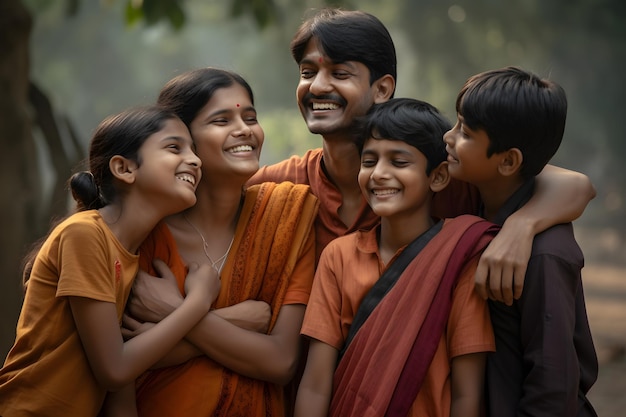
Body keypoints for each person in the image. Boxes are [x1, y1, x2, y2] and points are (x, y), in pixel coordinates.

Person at [248, 7, 596, 304]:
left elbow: (575, 186)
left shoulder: (438, 176)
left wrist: (521, 226)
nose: (318, 86)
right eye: (308, 73)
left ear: (382, 88)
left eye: (340, 73)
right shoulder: (282, 183)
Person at [121, 68, 319, 417]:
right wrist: (239, 320)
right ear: (183, 141)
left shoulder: (287, 218)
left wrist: (172, 313)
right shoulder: (146, 231)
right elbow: (119, 362)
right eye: (221, 120)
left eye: (250, 116)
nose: (244, 129)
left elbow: (281, 361)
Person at [0, 106, 220, 416]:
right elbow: (115, 368)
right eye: (174, 147)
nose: (196, 160)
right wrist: (198, 302)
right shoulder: (84, 234)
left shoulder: (134, 253)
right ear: (124, 168)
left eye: (194, 151)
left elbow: (121, 390)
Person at [295, 98, 499, 417]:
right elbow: (315, 384)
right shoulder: (339, 257)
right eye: (369, 161)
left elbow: (466, 394)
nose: (379, 174)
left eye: (399, 162)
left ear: (439, 176)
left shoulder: (458, 255)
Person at [443, 66, 598, 416]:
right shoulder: (476, 202)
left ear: (509, 161)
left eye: (464, 132)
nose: (448, 137)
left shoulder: (545, 255)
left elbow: (552, 389)